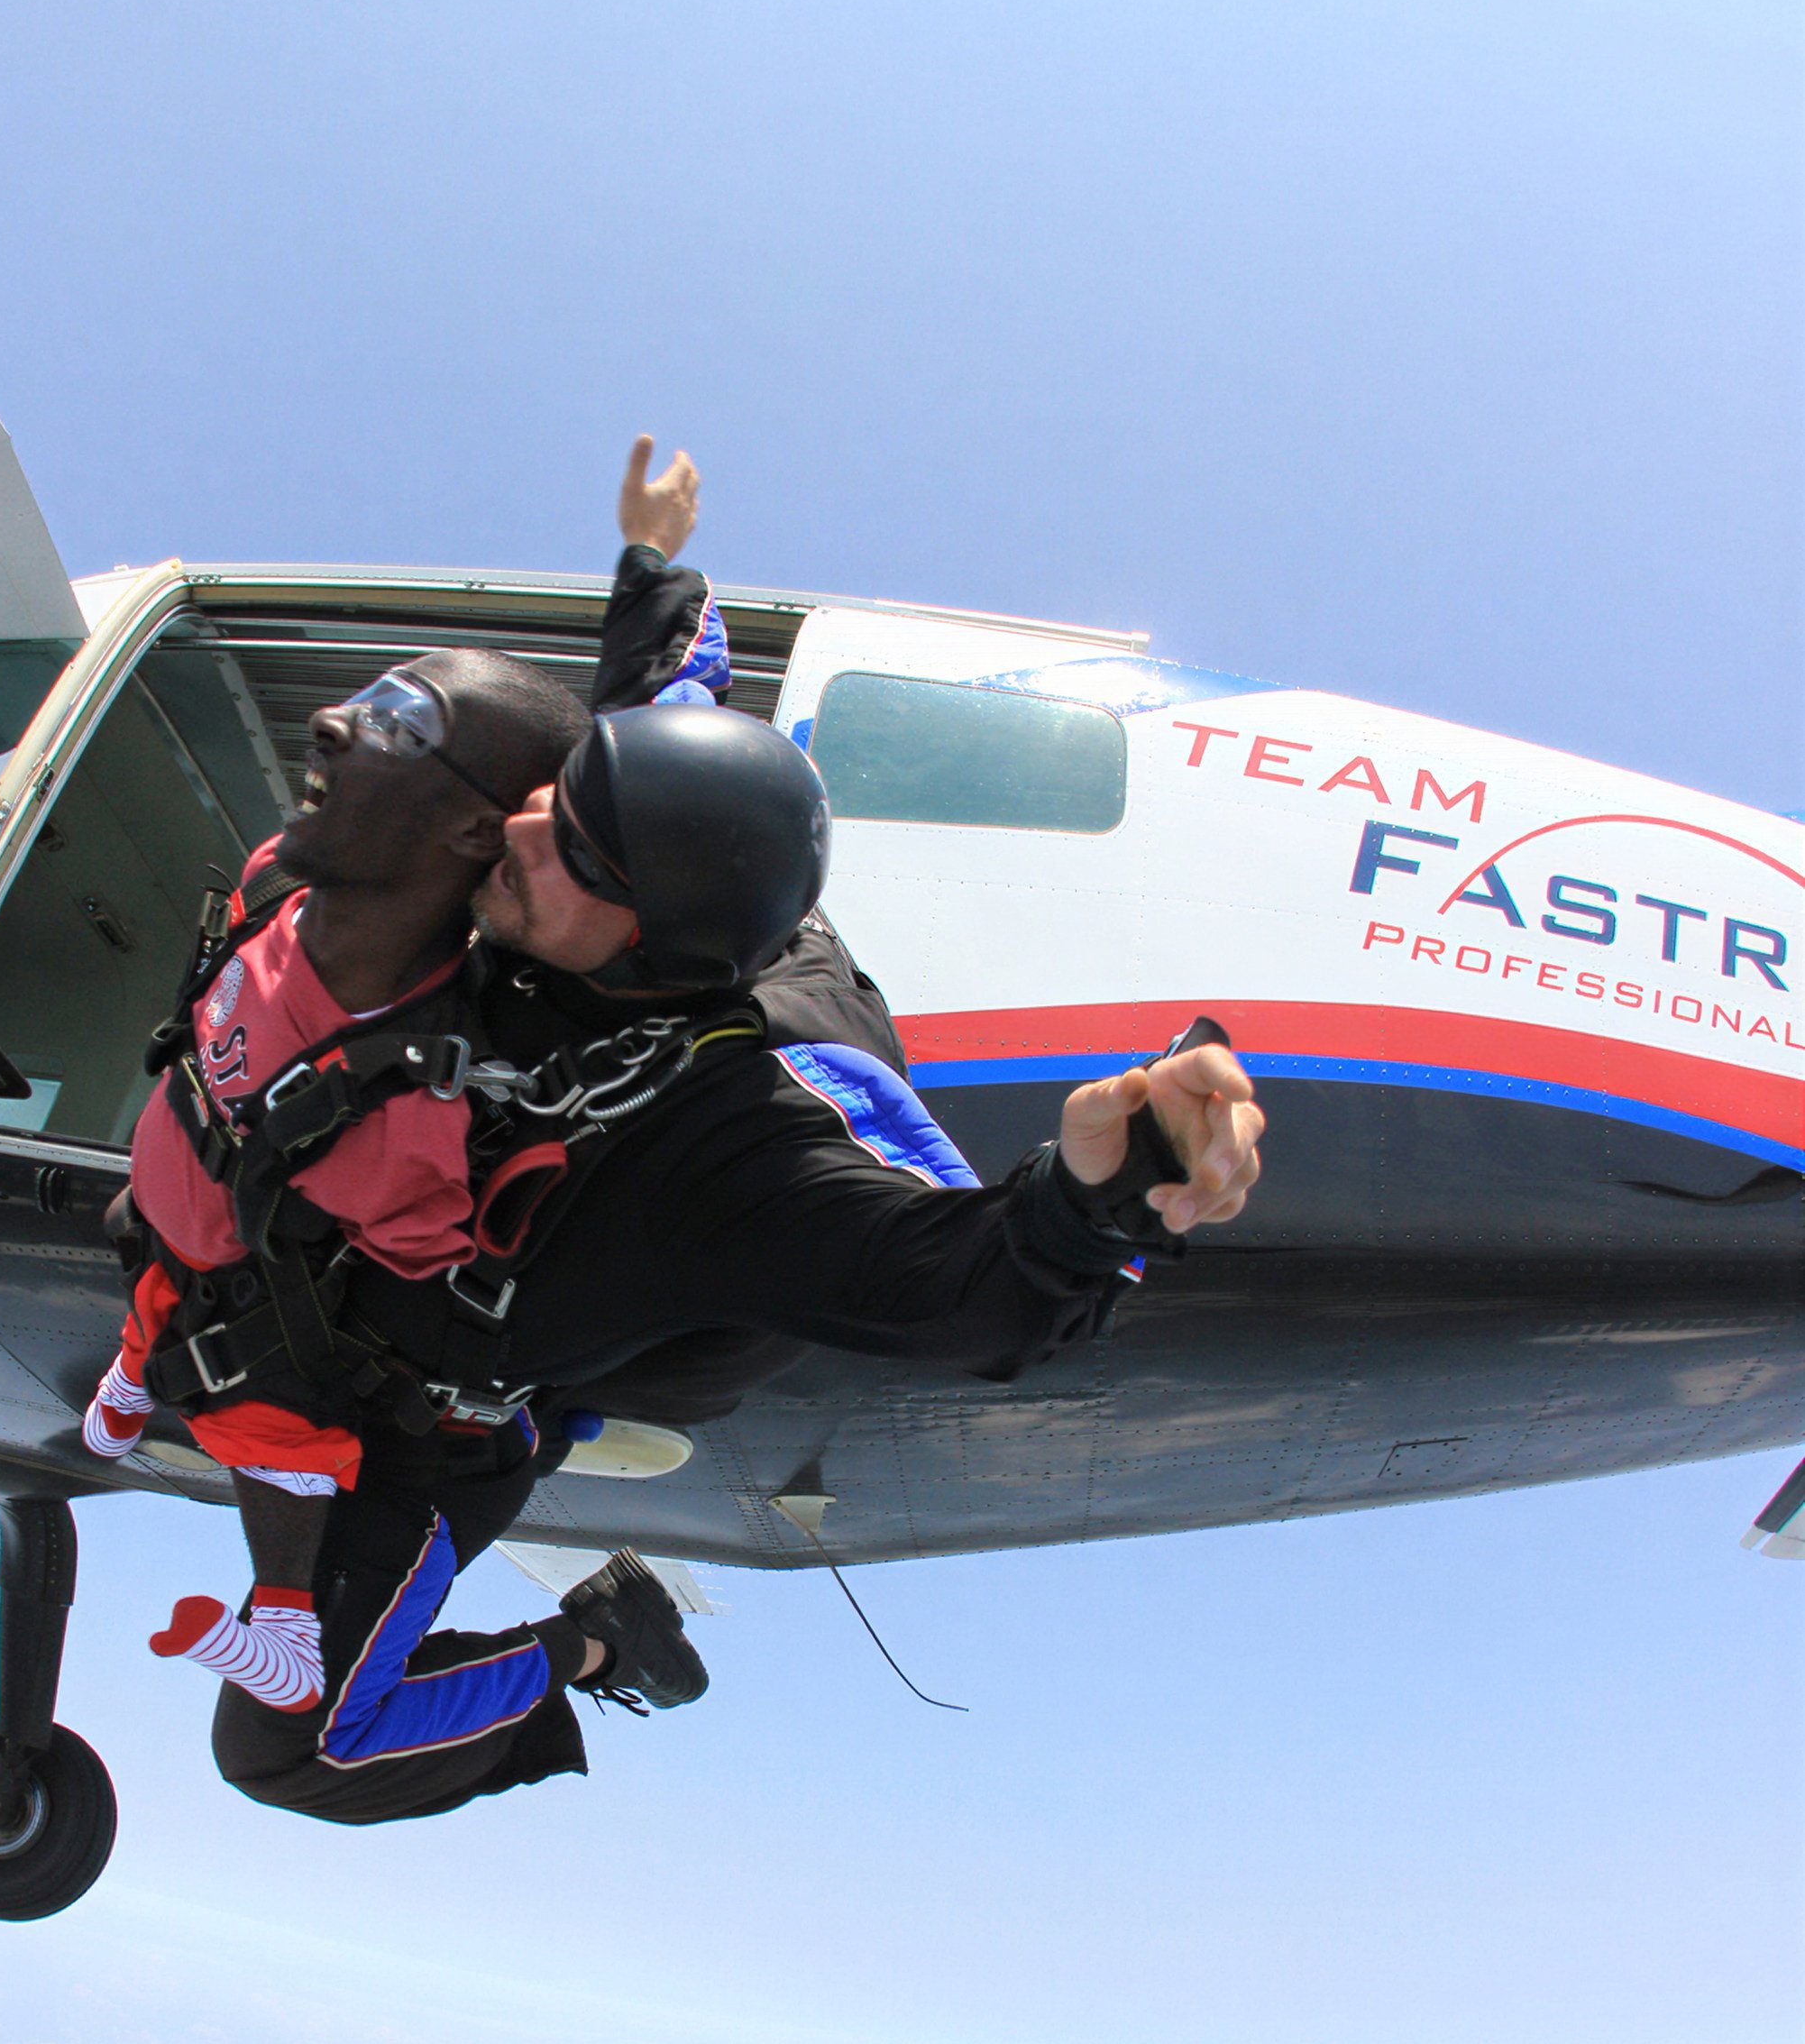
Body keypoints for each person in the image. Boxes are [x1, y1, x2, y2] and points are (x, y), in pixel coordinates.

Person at [203, 453, 1265, 1829]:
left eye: (568, 847)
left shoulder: (751, 1132)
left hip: (447, 1402)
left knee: (291, 1753)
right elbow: (662, 691)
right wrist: (655, 560)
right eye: (555, 796)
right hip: (354, 1246)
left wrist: (1112, 1191)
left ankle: (597, 1647)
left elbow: (975, 1283)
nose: (516, 829)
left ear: (653, 940)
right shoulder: (654, 822)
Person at [80, 646, 587, 1714]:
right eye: (368, 698)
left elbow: (417, 1253)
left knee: (266, 1425)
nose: (331, 720)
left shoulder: (405, 1107)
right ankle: (127, 1384)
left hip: (229, 1262)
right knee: (147, 1261)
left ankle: (286, 1636)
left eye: (403, 723)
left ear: (473, 835)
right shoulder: (276, 877)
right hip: (168, 1209)